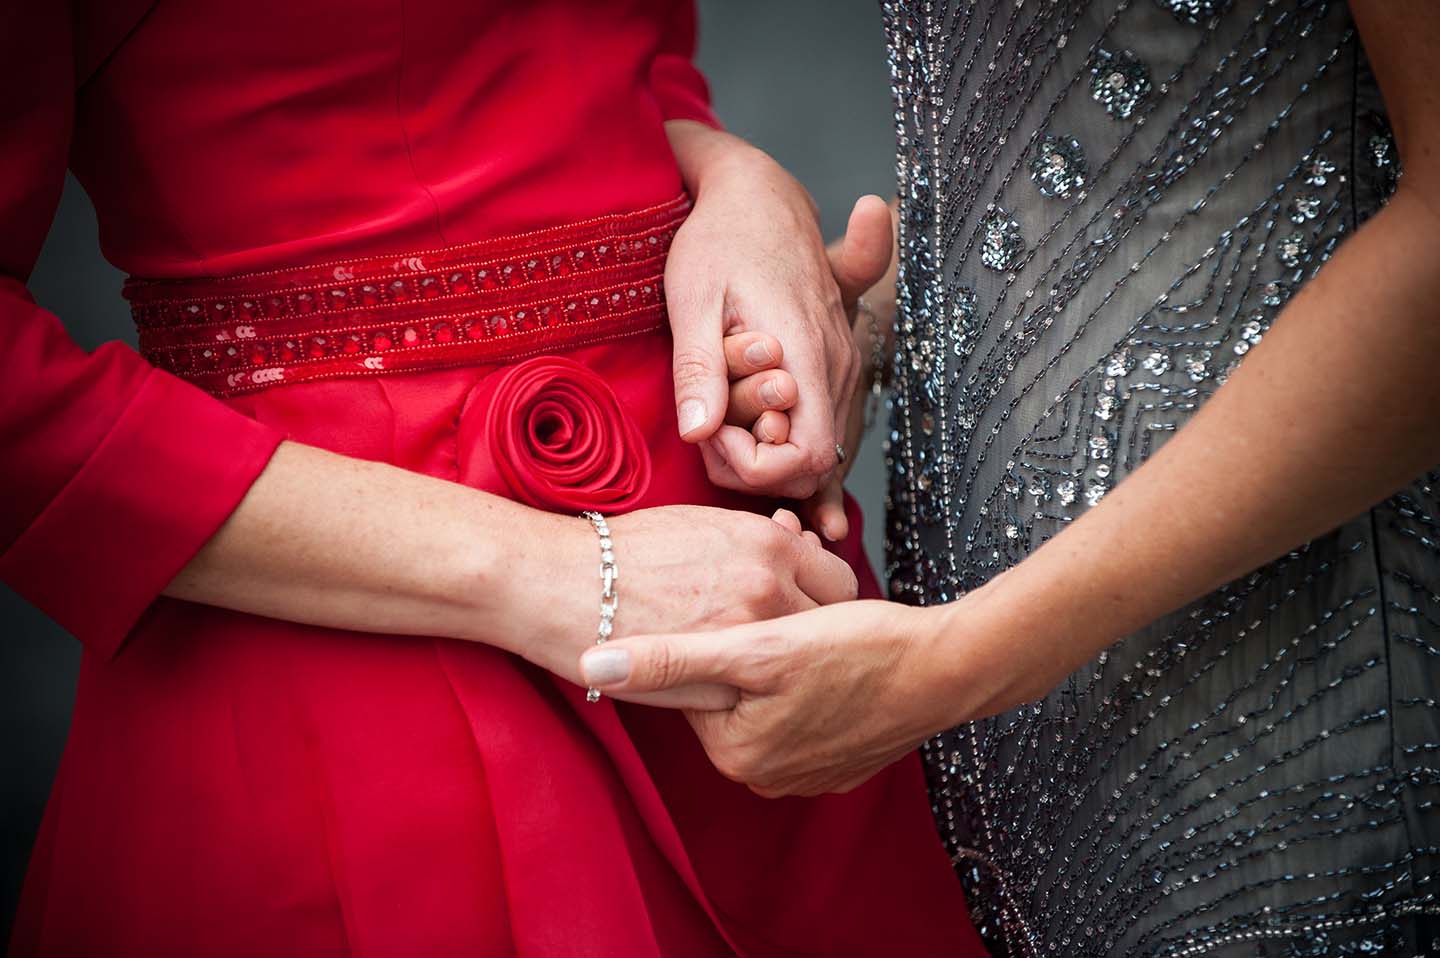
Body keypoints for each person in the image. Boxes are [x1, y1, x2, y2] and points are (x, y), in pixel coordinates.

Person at [1, 2, 986, 954]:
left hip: (738, 588)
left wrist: (734, 181)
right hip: (363, 619)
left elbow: (611, 52)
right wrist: (547, 571)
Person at [584, 1, 1440, 953]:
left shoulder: (963, 664)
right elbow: (1106, 151)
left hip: (1270, 662)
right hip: (994, 685)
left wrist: (952, 661)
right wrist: (851, 331)